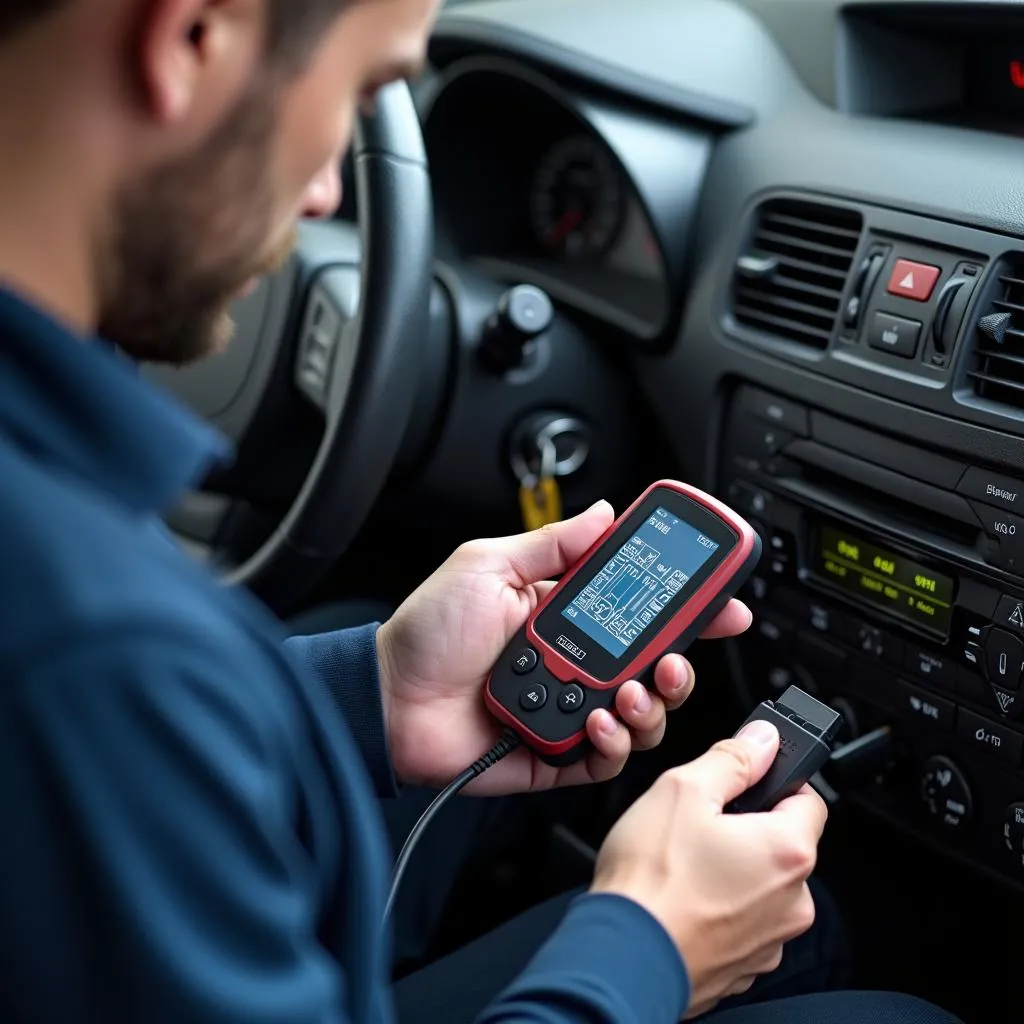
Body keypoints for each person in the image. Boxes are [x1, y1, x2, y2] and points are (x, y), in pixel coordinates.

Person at [0, 2, 961, 1023]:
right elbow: (107, 696)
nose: (331, 189)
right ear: (192, 36)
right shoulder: (93, 651)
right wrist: (645, 948)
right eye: (368, 86)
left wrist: (362, 697)